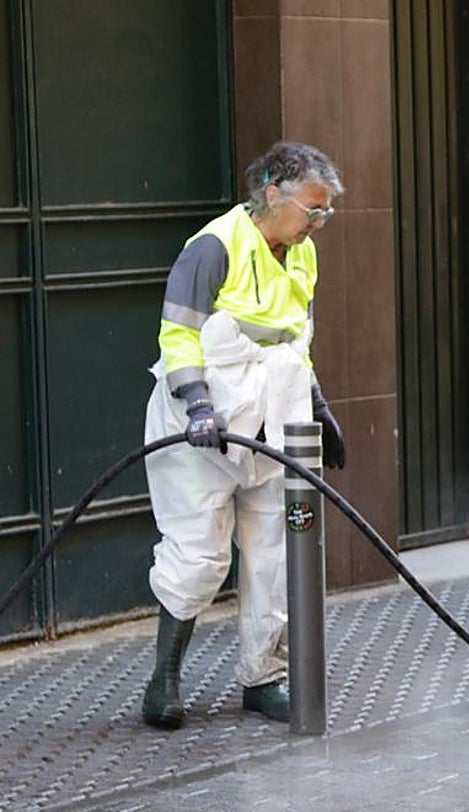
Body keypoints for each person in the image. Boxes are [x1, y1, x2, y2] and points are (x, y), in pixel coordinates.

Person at [141, 141, 347, 728]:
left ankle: (264, 679)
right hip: (200, 432)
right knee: (198, 556)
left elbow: (293, 344)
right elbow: (178, 336)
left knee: (273, 558)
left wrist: (318, 408)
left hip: (272, 427)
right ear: (273, 193)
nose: (320, 221)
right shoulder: (213, 248)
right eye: (314, 208)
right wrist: (197, 403)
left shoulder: (302, 256)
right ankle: (165, 682)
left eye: (326, 211)